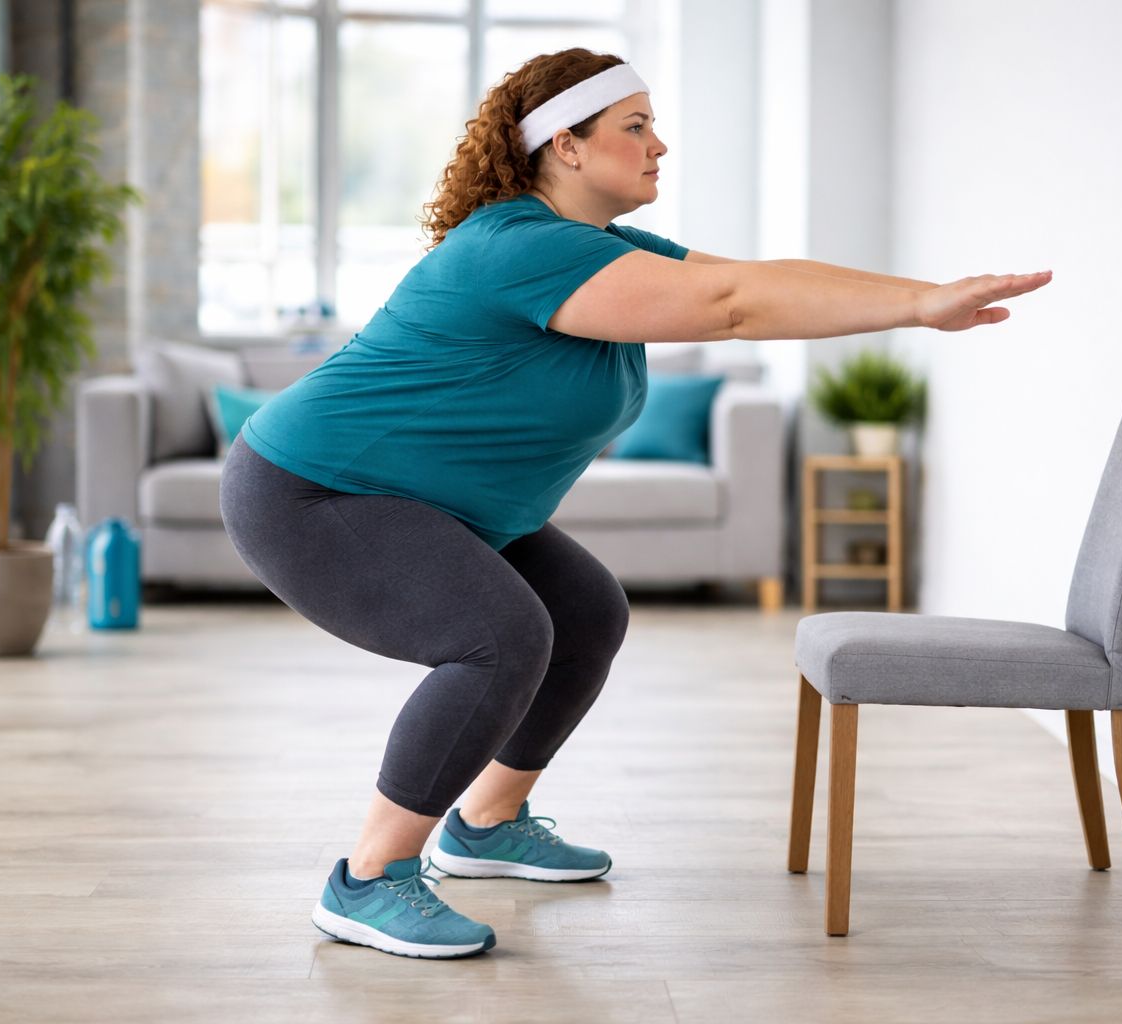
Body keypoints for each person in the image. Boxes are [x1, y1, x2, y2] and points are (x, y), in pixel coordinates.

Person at [218, 47, 1051, 961]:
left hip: (432, 500)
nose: (660, 144)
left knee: (583, 611)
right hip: (316, 488)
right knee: (499, 636)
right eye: (635, 126)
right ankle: (368, 879)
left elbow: (757, 286)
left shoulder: (604, 251)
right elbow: (734, 305)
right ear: (564, 147)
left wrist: (925, 301)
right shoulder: (518, 247)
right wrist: (922, 305)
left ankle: (486, 825)